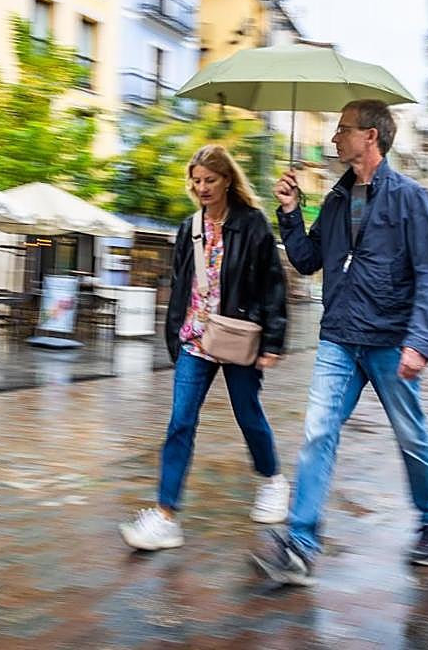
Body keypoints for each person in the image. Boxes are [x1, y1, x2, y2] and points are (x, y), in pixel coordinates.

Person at [253, 99, 428, 586]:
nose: (334, 137)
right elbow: (306, 260)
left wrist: (419, 341)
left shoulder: (409, 198)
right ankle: (300, 543)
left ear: (370, 137)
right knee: (318, 432)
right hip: (340, 336)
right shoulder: (337, 199)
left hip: (390, 339)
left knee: (410, 435)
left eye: (343, 129)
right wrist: (290, 211)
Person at [119, 145, 289, 551]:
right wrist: (174, 335)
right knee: (180, 422)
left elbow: (272, 284)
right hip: (195, 338)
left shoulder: (252, 224)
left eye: (210, 180)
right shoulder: (189, 227)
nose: (202, 188)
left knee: (248, 414)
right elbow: (181, 284)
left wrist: (273, 340)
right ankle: (165, 516)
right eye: (196, 181)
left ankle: (273, 480)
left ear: (227, 180)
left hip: (236, 333)